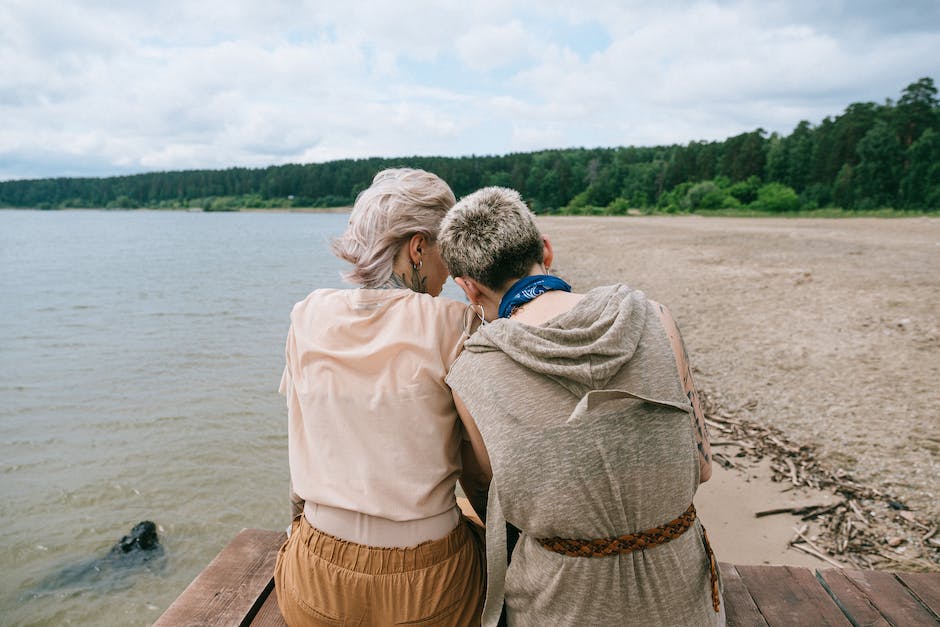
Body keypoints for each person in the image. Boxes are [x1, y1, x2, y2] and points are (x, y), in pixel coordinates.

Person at [438, 186, 724, 626]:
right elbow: (701, 467)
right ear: (546, 251)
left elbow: (502, 501)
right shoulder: (655, 316)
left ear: (469, 289)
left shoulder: (472, 370)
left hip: (559, 607)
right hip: (683, 604)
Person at [274, 168, 487, 626]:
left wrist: (300, 530)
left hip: (316, 585)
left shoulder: (307, 315)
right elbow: (481, 469)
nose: (449, 274)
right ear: (417, 247)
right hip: (427, 590)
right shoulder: (452, 323)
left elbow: (298, 449)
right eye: (445, 254)